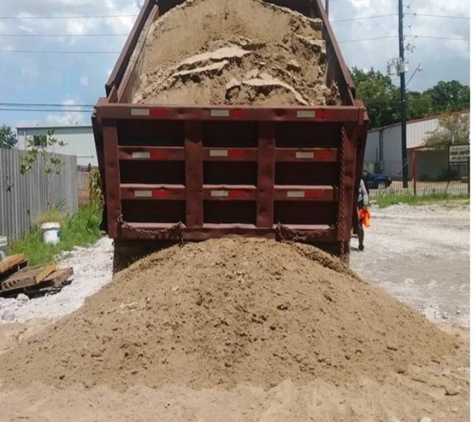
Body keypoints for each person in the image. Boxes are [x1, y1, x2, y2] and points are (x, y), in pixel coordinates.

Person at [356, 177, 369, 251]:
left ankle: (361, 244)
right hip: (349, 204)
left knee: (359, 225)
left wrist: (365, 204)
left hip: (359, 204)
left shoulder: (360, 181)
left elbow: (365, 194)